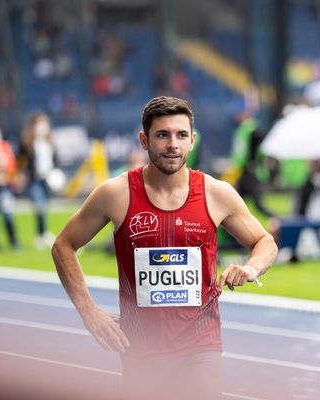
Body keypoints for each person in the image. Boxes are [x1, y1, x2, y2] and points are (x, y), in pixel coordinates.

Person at [52, 96, 277, 400]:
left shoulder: (216, 193)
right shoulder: (115, 194)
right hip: (141, 347)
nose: (173, 144)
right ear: (144, 140)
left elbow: (265, 242)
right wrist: (89, 311)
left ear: (192, 141)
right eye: (162, 135)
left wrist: (249, 268)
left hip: (201, 343)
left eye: (181, 135)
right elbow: (64, 245)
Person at [18, 112, 58, 249]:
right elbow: (21, 161)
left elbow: (56, 160)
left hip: (47, 179)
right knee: (39, 206)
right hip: (34, 179)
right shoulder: (27, 143)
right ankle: (41, 234)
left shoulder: (49, 142)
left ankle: (43, 233)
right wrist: (22, 174)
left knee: (45, 206)